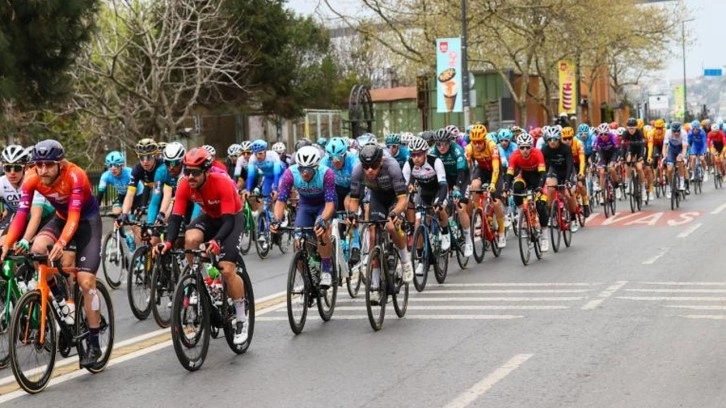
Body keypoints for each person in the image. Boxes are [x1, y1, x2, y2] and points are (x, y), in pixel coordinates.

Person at [1, 139, 104, 367]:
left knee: (85, 282)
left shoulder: (75, 176)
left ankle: (95, 344)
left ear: (60, 164)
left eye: (48, 164)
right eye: (39, 164)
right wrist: (8, 242)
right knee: (37, 249)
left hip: (86, 222)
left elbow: (75, 216)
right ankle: (59, 300)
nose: (43, 169)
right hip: (60, 219)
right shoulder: (33, 178)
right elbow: (21, 214)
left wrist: (63, 242)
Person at [155, 147, 249, 344]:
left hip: (231, 219)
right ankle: (202, 280)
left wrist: (216, 241)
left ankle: (241, 317)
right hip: (210, 216)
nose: (190, 176)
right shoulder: (184, 184)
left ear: (207, 171)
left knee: (226, 269)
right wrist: (169, 243)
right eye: (187, 171)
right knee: (190, 239)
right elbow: (176, 217)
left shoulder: (222, 182)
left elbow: (228, 222)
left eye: (195, 172)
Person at [348, 144, 414, 303]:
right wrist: (352, 214)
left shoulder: (392, 167)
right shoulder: (358, 170)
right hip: (377, 197)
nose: (370, 170)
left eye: (374, 166)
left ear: (381, 161)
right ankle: (375, 285)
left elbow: (403, 199)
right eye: (366, 166)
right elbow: (354, 199)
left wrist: (394, 213)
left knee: (391, 226)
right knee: (373, 235)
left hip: (396, 198)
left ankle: (405, 261)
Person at [271, 146, 337, 287]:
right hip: (306, 205)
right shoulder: (290, 173)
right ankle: (307, 280)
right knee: (298, 241)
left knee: (322, 232)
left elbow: (330, 204)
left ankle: (326, 270)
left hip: (323, 205)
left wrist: (323, 219)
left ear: (316, 167)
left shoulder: (327, 174)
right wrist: (277, 220)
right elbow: (281, 200)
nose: (304, 173)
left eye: (308, 169)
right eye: (301, 169)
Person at [429, 128, 474, 257]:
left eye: (444, 143)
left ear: (450, 142)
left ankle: (468, 240)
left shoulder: (457, 150)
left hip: (462, 177)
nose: (441, 147)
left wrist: (457, 189)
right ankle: (447, 230)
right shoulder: (433, 152)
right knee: (440, 206)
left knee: (460, 208)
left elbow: (461, 172)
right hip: (446, 178)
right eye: (438, 144)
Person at [504, 133, 549, 251]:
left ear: (531, 147)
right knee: (516, 188)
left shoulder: (537, 153)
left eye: (527, 147)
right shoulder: (514, 155)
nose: (525, 150)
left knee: (540, 206)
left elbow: (543, 173)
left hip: (538, 179)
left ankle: (544, 238)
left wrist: (540, 187)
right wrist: (506, 188)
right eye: (522, 147)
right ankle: (522, 215)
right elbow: (509, 173)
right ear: (518, 147)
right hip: (524, 177)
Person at [465, 124, 506, 247]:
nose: (477, 145)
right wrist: (469, 182)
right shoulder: (469, 148)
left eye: (479, 142)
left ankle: (502, 231)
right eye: (474, 142)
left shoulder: (492, 146)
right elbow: (469, 168)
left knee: (496, 202)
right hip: (481, 169)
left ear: (484, 140)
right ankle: (479, 214)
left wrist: (493, 183)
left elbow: (496, 168)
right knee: (474, 186)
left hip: (495, 170)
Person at [540, 126, 579, 233]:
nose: (552, 142)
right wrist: (541, 181)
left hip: (567, 171)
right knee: (551, 188)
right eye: (550, 140)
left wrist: (567, 180)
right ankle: (551, 215)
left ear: (559, 139)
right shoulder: (544, 150)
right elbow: (543, 167)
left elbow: (570, 164)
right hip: (555, 171)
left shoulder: (565, 148)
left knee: (568, 193)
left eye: (555, 139)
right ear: (547, 140)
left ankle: (573, 218)